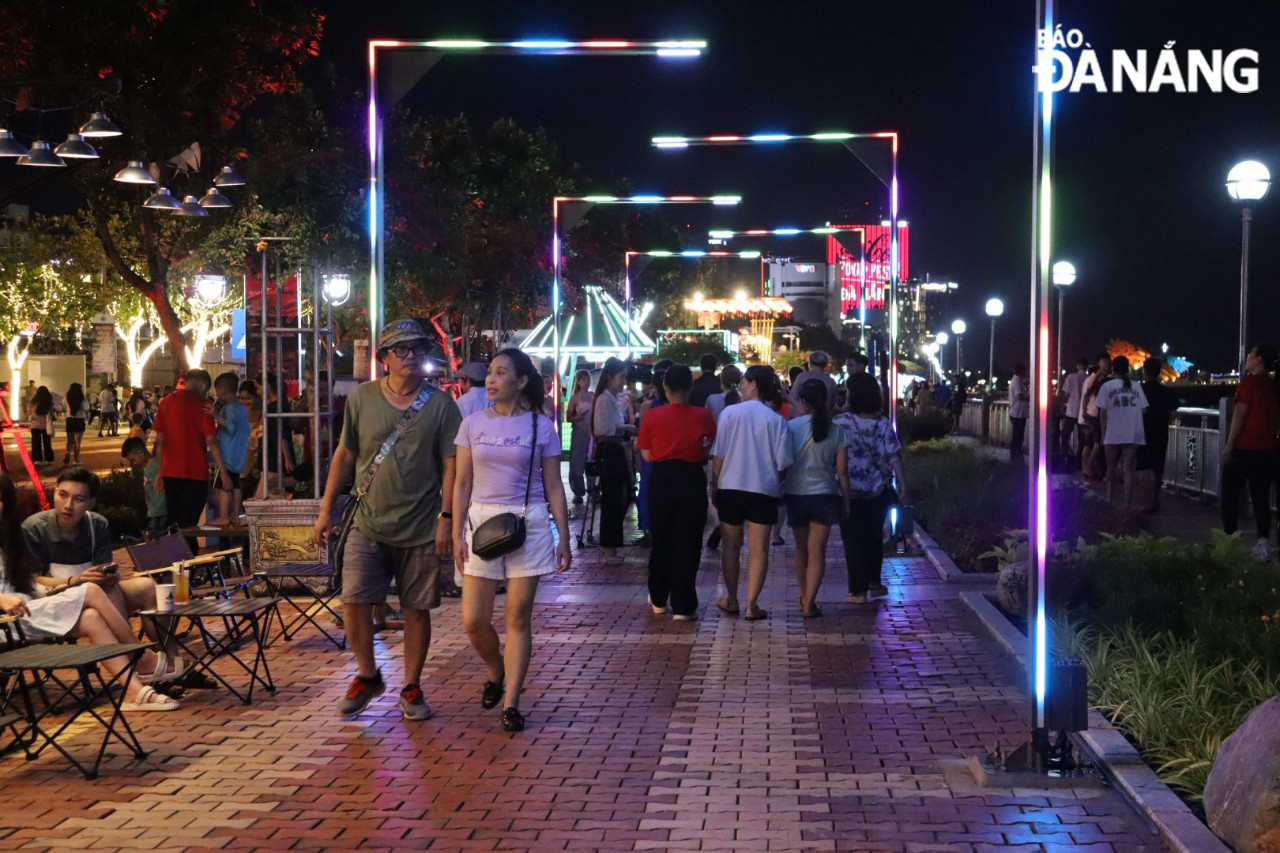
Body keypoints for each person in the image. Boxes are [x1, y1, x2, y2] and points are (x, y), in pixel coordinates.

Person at [313, 319, 461, 720]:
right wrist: (326, 510)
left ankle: (411, 687)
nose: (410, 355)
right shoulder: (362, 399)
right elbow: (345, 456)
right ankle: (367, 674)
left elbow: (451, 466)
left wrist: (447, 517)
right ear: (384, 358)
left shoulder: (442, 405)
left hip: (421, 524)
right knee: (353, 598)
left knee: (416, 607)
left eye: (416, 348)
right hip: (367, 519)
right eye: (401, 349)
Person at [453, 348, 571, 732]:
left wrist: (563, 537)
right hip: (482, 522)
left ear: (520, 382)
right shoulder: (471, 424)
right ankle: (494, 669)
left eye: (500, 373)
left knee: (517, 617)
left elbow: (553, 485)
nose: (490, 379)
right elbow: (462, 482)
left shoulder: (542, 426)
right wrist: (456, 531)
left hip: (529, 523)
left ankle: (512, 702)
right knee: (473, 620)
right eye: (489, 372)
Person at [0, 473, 180, 710]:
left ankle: (133, 692)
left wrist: (71, 584)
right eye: (62, 495)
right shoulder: (34, 527)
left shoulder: (10, 536)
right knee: (91, 591)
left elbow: (26, 583)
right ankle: (141, 656)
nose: (68, 505)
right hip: (9, 619)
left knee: (94, 615)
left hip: (28, 607)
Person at [710, 365, 794, 621]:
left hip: (731, 486)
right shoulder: (776, 420)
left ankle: (732, 599)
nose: (741, 386)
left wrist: (715, 485)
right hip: (763, 489)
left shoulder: (729, 414)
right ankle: (751, 605)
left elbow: (718, 455)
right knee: (759, 550)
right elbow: (783, 464)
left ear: (754, 384)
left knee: (731, 546)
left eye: (744, 382)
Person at [637, 364, 716, 621]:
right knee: (688, 541)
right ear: (690, 387)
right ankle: (683, 604)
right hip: (691, 478)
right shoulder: (703, 416)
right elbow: (709, 449)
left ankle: (658, 598)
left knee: (661, 539)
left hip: (661, 478)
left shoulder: (652, 415)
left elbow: (646, 454)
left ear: (665, 388)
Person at [836, 374, 909, 603]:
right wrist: (904, 484)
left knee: (852, 539)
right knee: (874, 536)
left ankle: (856, 589)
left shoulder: (840, 423)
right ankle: (874, 582)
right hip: (877, 490)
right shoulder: (883, 424)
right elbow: (894, 456)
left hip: (847, 491)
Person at [785, 380, 850, 618]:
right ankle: (810, 600)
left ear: (802, 401)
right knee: (817, 551)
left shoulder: (790, 427)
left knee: (801, 549)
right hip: (825, 495)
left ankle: (805, 596)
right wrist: (847, 501)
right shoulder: (837, 431)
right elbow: (842, 471)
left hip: (796, 494)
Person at [153, 369, 229, 552]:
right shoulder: (203, 405)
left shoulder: (166, 403)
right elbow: (211, 440)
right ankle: (188, 566)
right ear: (203, 385)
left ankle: (180, 565)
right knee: (189, 524)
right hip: (195, 473)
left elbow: (160, 441)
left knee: (176, 521)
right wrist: (224, 472)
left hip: (171, 472)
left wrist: (160, 472)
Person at [1221, 343, 1279, 559]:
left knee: (1230, 495)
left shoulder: (1248, 383)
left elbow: (1240, 413)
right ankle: (1262, 543)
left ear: (1260, 360)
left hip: (1244, 448)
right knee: (1260, 497)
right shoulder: (1273, 386)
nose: (1247, 357)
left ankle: (1229, 541)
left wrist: (1229, 445)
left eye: (1251, 354)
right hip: (1268, 450)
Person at [591, 358, 635, 559]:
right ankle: (608, 544)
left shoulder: (612, 399)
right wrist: (624, 428)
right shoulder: (604, 399)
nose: (623, 382)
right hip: (609, 450)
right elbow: (602, 429)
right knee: (613, 498)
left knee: (622, 497)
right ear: (610, 377)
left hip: (615, 449)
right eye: (621, 377)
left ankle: (612, 542)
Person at [1096, 356, 1148, 509]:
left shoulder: (1107, 387)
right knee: (1128, 470)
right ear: (1127, 369)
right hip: (1132, 432)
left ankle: (1109, 499)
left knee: (1111, 469)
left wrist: (1103, 433)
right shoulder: (1136, 386)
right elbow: (1144, 410)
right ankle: (1127, 505)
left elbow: (1102, 414)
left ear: (1113, 369)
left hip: (1113, 432)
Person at [206, 372, 250, 527]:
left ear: (222, 390)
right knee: (236, 485)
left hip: (227, 455)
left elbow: (230, 427)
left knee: (223, 487)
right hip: (238, 455)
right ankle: (235, 514)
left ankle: (224, 515)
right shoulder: (241, 408)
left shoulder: (229, 408)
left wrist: (215, 415)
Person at [1137, 357, 1179, 513]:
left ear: (1144, 372)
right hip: (1161, 431)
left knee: (1144, 467)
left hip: (1142, 432)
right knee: (1158, 468)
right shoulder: (1167, 392)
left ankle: (1148, 501)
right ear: (1158, 372)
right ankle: (1155, 499)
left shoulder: (1138, 390)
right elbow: (1174, 413)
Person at [122, 437, 168, 539]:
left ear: (140, 452)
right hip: (154, 512)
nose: (133, 463)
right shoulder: (147, 467)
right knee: (154, 539)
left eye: (133, 460)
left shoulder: (155, 465)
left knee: (158, 539)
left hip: (160, 513)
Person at [1079, 354, 1113, 479]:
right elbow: (1087, 395)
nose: (1106, 364)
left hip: (1090, 414)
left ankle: (1088, 469)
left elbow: (1086, 396)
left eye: (1108, 362)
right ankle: (1088, 467)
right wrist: (1084, 411)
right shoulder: (1097, 379)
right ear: (1099, 363)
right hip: (1096, 415)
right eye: (1104, 361)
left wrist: (1083, 412)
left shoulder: (1096, 378)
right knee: (1098, 443)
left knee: (1089, 443)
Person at [565, 369, 593, 506]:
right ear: (578, 382)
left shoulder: (593, 396)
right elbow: (568, 417)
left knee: (592, 461)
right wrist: (576, 417)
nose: (586, 382)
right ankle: (578, 491)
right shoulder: (575, 398)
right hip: (579, 432)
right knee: (576, 462)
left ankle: (593, 490)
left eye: (588, 379)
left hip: (591, 432)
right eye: (583, 379)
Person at [1062, 357, 1089, 460]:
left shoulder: (1071, 377)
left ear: (1078, 366)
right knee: (1082, 436)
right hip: (1084, 411)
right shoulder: (1089, 378)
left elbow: (1066, 394)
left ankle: (1065, 454)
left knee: (1066, 434)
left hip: (1071, 410)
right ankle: (1079, 457)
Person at [27, 385, 55, 464]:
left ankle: (37, 460)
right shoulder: (49, 401)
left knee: (36, 443)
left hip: (35, 425)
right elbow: (51, 412)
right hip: (46, 425)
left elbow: (29, 411)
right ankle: (49, 459)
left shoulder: (33, 401)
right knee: (47, 443)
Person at [63, 382, 89, 465]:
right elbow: (86, 409)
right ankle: (76, 460)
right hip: (79, 420)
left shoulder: (67, 397)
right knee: (77, 442)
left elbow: (63, 407)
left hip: (70, 419)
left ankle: (68, 452)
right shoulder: (82, 398)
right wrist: (87, 415)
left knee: (70, 440)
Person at [1008, 363, 1029, 461]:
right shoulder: (1017, 381)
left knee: (1017, 436)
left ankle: (1015, 456)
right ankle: (1016, 457)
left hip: (1017, 413)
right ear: (1022, 371)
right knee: (1018, 436)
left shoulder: (1016, 380)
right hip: (1018, 413)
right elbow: (1019, 396)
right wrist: (1030, 398)